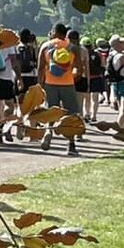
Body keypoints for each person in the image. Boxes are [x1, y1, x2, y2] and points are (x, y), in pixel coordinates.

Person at [38, 24, 84, 156]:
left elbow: (41, 68)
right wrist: (73, 77)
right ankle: (71, 145)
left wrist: (40, 84)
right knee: (70, 115)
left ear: (54, 32)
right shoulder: (72, 48)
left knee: (51, 111)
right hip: (67, 84)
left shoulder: (46, 46)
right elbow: (79, 69)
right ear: (65, 34)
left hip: (50, 83)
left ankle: (48, 131)